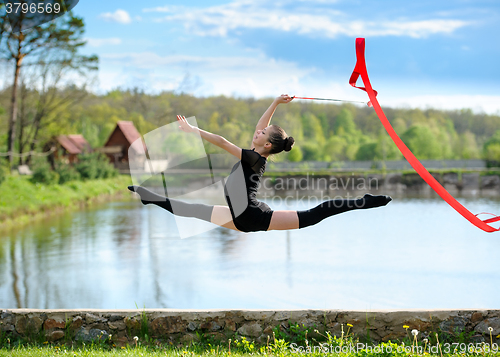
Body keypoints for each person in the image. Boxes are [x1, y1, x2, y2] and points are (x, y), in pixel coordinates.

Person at [128, 94, 392, 232]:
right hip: (240, 215)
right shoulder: (257, 154)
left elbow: (221, 141)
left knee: (315, 214)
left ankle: (365, 201)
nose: (257, 131)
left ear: (267, 145)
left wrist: (194, 131)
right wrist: (275, 102)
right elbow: (260, 124)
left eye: (262, 135)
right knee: (192, 209)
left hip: (251, 216)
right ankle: (148, 197)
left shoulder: (254, 158)